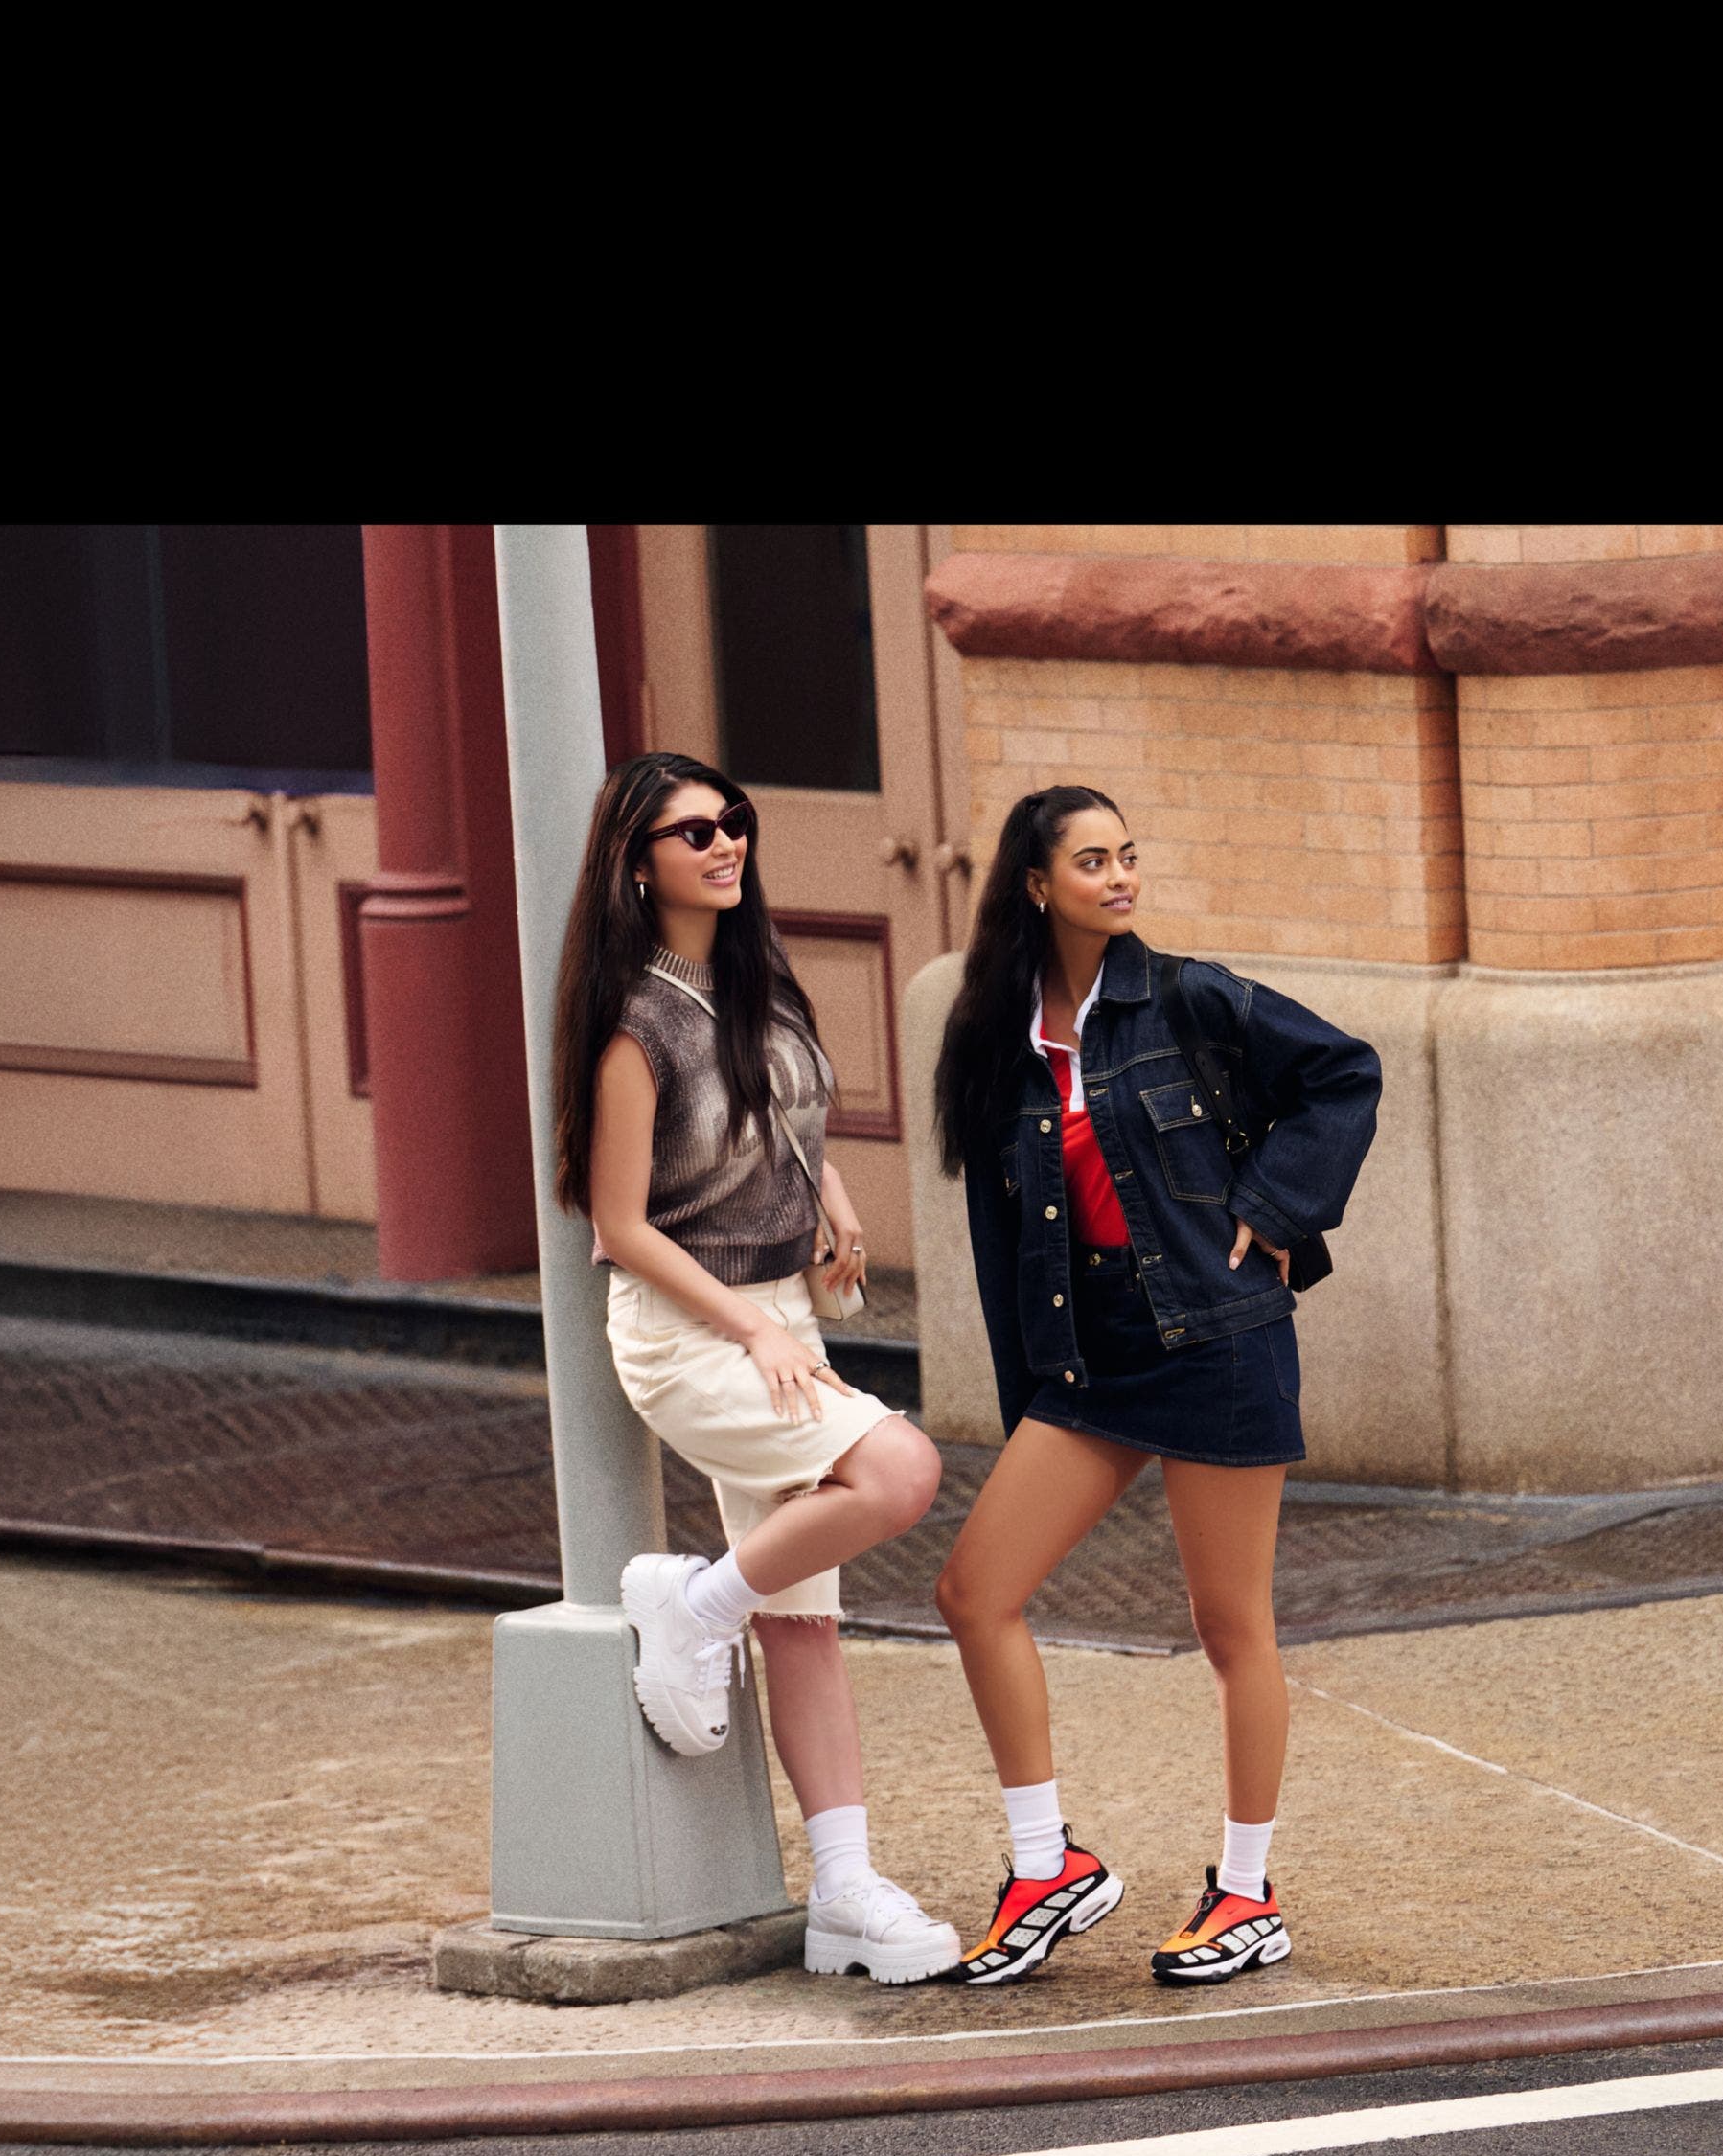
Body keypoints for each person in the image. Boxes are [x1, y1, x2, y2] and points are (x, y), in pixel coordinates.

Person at [930, 786, 1380, 1986]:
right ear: (1037, 884)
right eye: (1092, 860)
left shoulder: (1188, 997)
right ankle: (1047, 1867)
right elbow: (997, 1239)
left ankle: (1245, 1891)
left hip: (1216, 1336)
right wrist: (1027, 1389)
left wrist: (1275, 1210)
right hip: (1090, 1357)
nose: (1119, 876)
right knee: (975, 1588)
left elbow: (1343, 1074)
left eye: (1127, 855)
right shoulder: (996, 1043)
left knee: (1229, 1626)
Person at [553, 750, 960, 1985]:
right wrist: (755, 1325)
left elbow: (789, 1116)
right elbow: (616, 1224)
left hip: (781, 1309)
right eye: (692, 833)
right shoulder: (633, 1020)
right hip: (694, 1333)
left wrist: (828, 1194)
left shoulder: (753, 973)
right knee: (898, 1468)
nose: (723, 845)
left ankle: (842, 1893)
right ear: (638, 861)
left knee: (808, 1628)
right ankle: (692, 1604)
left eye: (732, 822)